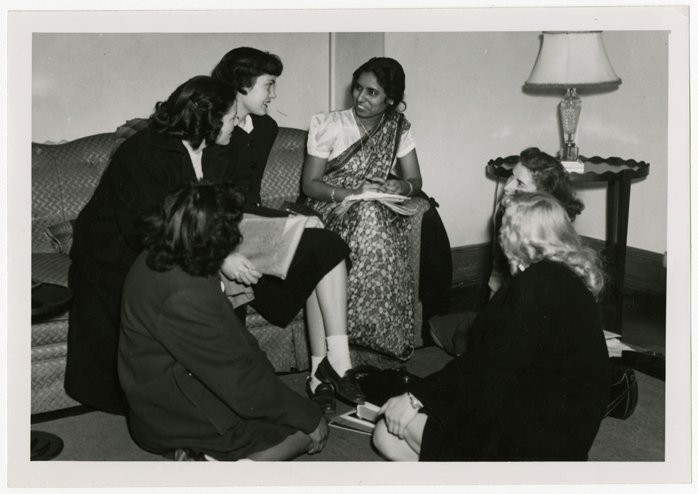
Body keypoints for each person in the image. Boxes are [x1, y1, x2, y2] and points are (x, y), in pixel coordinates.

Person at [66, 74, 363, 416]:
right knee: (212, 286)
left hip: (200, 238)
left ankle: (337, 363)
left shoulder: (215, 150)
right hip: (125, 255)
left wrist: (290, 223)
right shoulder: (143, 151)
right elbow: (149, 228)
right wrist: (221, 257)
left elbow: (232, 207)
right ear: (206, 117)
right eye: (232, 117)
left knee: (323, 244)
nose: (238, 123)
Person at [372, 191, 611, 461]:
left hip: (531, 443)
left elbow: (488, 366)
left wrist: (415, 399)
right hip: (563, 439)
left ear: (511, 238)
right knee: (405, 432)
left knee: (386, 433)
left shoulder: (536, 283)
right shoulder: (566, 280)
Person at [118, 181, 328, 461]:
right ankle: (210, 467)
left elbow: (234, 342)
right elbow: (239, 380)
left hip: (173, 387)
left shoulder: (169, 253)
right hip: (175, 410)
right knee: (301, 434)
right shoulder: (185, 292)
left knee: (278, 409)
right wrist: (310, 418)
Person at [301, 57, 423, 359]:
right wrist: (352, 193)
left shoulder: (398, 128)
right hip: (329, 205)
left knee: (376, 214)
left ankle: (380, 337)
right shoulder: (328, 124)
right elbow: (310, 184)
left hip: (375, 207)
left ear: (390, 99)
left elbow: (415, 180)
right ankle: (349, 337)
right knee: (369, 214)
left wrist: (402, 187)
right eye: (358, 88)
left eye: (372, 92)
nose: (360, 98)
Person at [430, 147, 585, 356]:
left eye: (520, 183)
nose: (508, 187)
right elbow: (497, 272)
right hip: (510, 301)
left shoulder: (553, 225)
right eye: (511, 177)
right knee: (444, 329)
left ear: (542, 196)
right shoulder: (504, 210)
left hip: (542, 312)